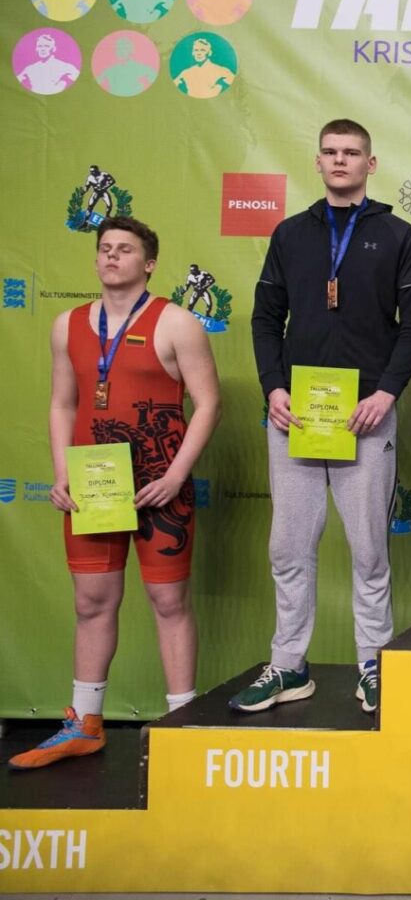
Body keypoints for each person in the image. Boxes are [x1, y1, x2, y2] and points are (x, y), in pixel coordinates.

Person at [9, 218, 220, 770]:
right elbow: (62, 403)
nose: (111, 256)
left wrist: (176, 475)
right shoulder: (68, 325)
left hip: (158, 484)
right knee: (91, 602)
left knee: (168, 603)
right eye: (104, 248)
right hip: (94, 483)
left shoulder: (176, 323)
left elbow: (209, 403)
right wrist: (61, 473)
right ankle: (85, 723)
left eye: (124, 250)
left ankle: (182, 723)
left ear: (148, 264)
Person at [234, 119, 411, 714]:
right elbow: (266, 319)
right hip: (296, 415)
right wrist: (273, 388)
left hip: (366, 416)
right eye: (330, 152)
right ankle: (289, 666)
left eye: (352, 152)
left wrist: (387, 394)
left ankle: (373, 662)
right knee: (289, 547)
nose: (340, 160)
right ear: (317, 162)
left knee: (369, 549)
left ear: (371, 164)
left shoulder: (397, 235)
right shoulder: (290, 234)